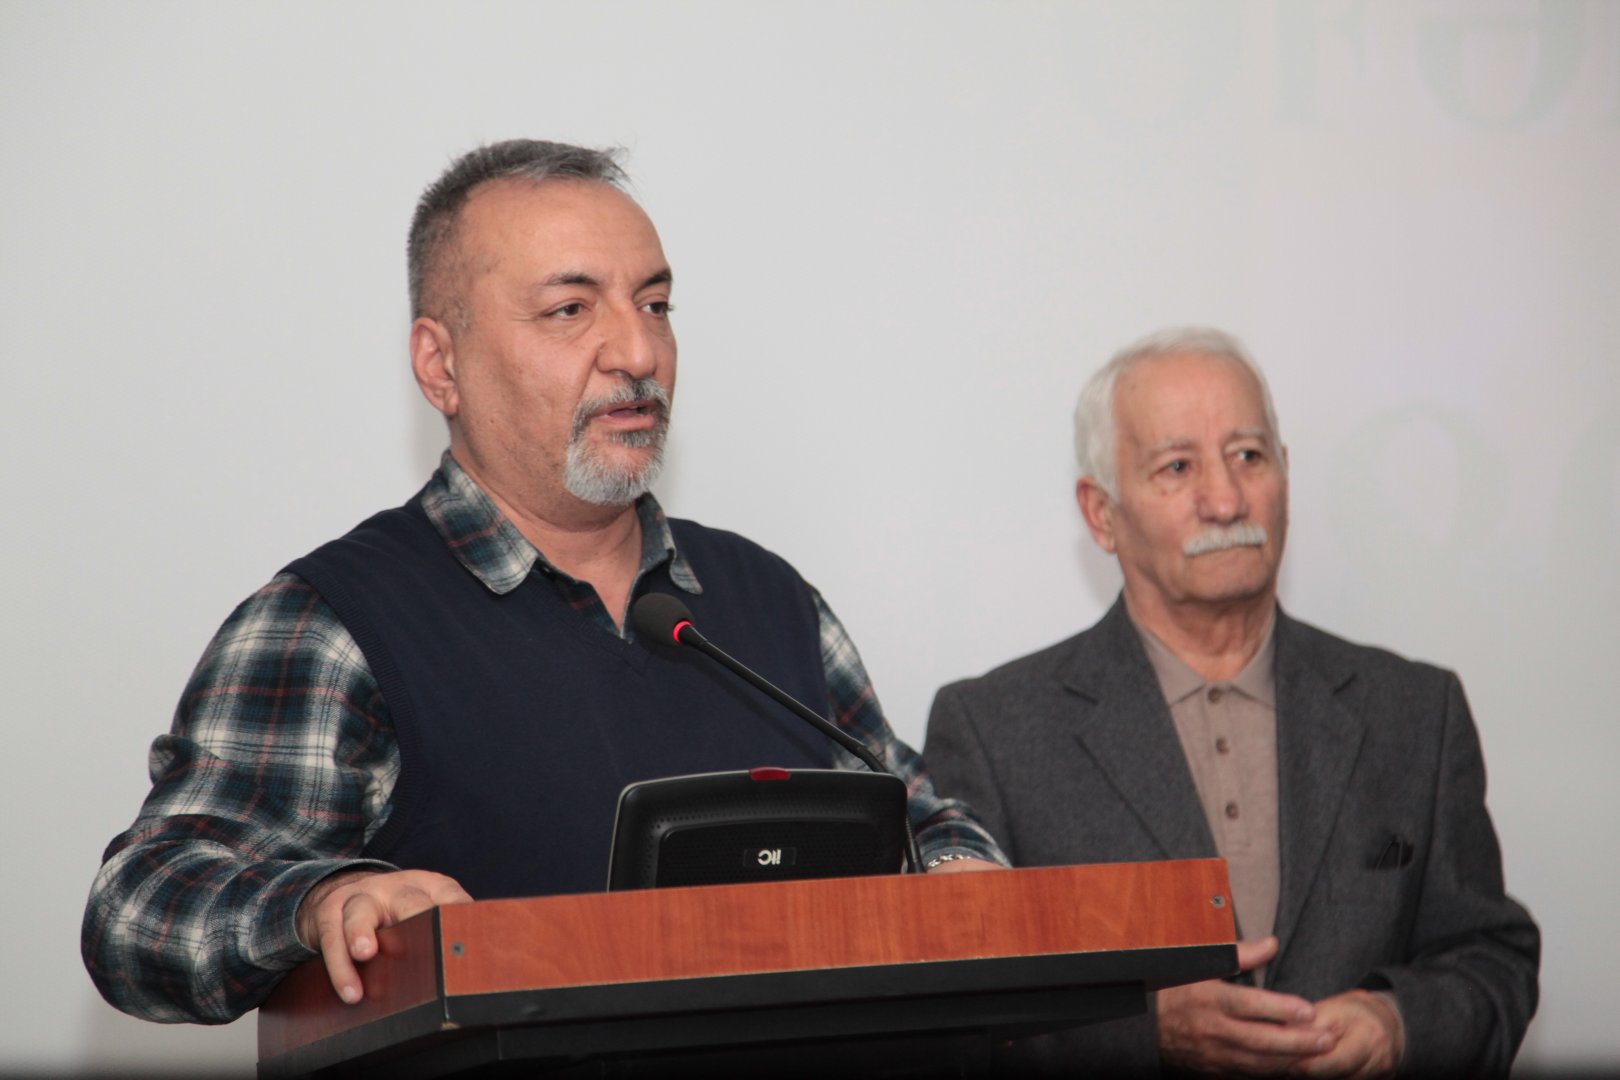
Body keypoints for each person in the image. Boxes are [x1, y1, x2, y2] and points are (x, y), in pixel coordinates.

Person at [83, 140, 1004, 1026]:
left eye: (655, 304)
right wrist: (324, 900)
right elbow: (140, 908)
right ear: (441, 364)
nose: (637, 352)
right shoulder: (337, 624)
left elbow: (924, 821)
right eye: (570, 310)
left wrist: (958, 871)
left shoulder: (768, 600)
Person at [923, 327, 1539, 1078]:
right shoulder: (994, 732)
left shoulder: (1414, 711)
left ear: (1286, 473)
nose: (1225, 500)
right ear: (1102, 514)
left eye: (1248, 456)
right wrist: (1146, 1032)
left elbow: (1491, 957)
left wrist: (1397, 1023)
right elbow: (956, 1011)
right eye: (1177, 467)